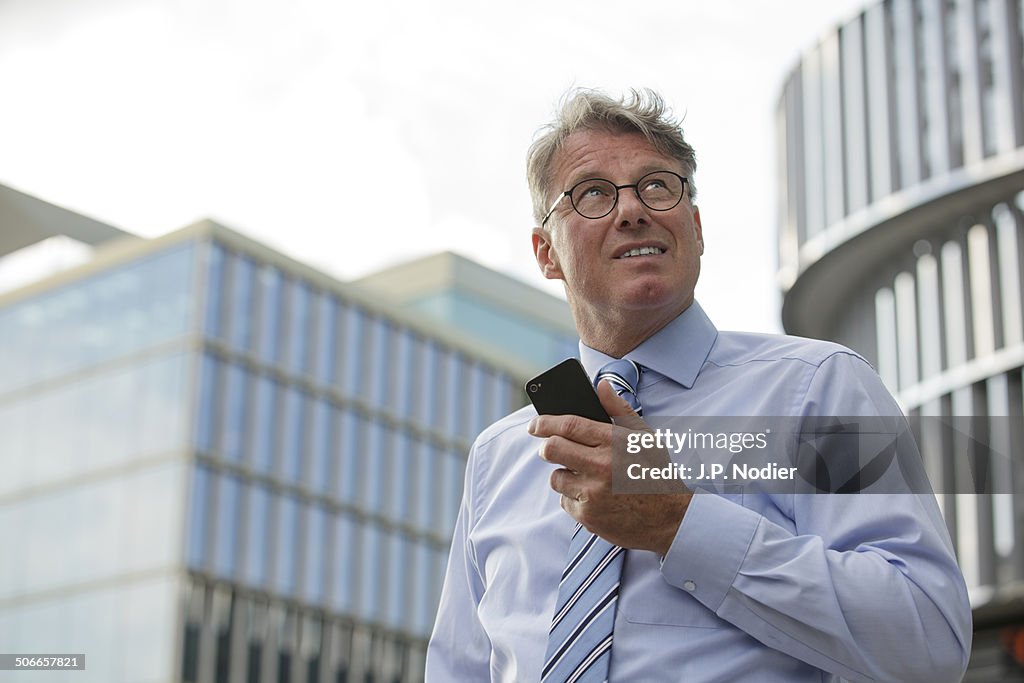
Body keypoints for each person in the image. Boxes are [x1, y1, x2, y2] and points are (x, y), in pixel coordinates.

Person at [425, 88, 972, 682]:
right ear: (545, 253)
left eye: (658, 186)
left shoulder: (818, 387)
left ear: (697, 227)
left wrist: (676, 520)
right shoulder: (498, 456)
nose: (632, 210)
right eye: (592, 194)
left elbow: (928, 639)